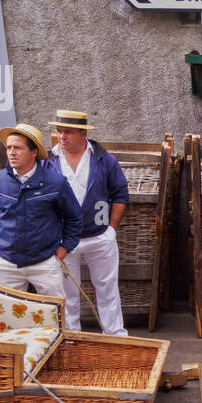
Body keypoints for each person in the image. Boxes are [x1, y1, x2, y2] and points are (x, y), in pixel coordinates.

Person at [48, 110, 130, 335]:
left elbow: (121, 193)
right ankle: (72, 339)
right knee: (67, 293)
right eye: (59, 131)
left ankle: (115, 338)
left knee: (107, 290)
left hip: (99, 236)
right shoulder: (48, 160)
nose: (62, 136)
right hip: (63, 240)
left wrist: (111, 228)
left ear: (83, 133)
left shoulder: (103, 158)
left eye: (68, 132)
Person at [0, 123, 82, 305]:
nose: (11, 152)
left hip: (45, 263)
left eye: (18, 148)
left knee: (54, 314)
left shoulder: (55, 183)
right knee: (6, 314)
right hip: (5, 263)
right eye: (9, 147)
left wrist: (65, 247)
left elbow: (73, 217)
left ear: (34, 152)